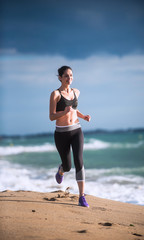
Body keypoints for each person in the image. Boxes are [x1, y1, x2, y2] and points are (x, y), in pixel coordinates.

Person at [49, 66, 91, 207]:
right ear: (60, 77)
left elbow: (74, 110)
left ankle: (81, 197)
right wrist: (64, 112)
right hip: (61, 134)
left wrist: (83, 116)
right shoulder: (55, 94)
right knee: (68, 166)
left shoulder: (76, 92)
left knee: (79, 161)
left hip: (76, 130)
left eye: (71, 75)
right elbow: (51, 116)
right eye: (66, 76)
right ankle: (61, 170)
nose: (69, 78)